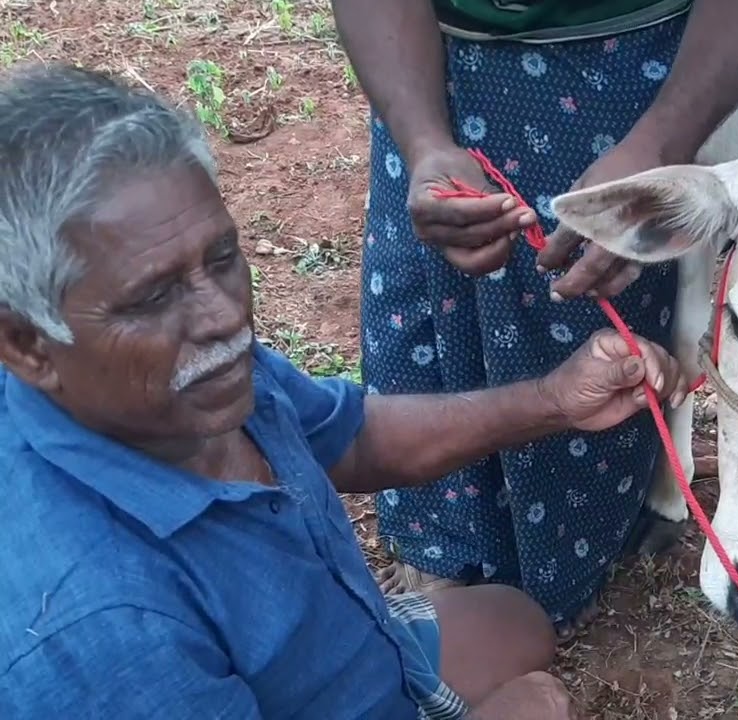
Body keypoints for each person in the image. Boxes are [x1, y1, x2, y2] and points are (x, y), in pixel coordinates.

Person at [0, 63, 690, 719]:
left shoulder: (168, 383)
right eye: (151, 298)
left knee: (514, 625)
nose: (224, 317)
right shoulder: (100, 631)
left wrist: (553, 399)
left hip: (331, 656)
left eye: (221, 258)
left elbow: (348, 434)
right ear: (27, 345)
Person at [332, 0, 738, 640]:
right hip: (425, 64)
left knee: (587, 338)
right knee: (429, 329)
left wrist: (658, 142)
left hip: (624, 83)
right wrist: (425, 141)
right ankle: (440, 558)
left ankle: (570, 566)